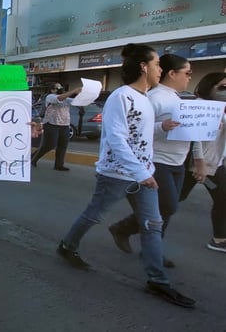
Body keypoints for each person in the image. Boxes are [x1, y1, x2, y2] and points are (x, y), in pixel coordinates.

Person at [56, 43, 195, 308]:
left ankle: (157, 280)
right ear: (144, 67)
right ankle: (67, 245)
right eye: (156, 64)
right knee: (94, 214)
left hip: (143, 173)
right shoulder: (121, 97)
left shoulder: (144, 98)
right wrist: (141, 172)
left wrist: (160, 126)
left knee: (153, 224)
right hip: (117, 173)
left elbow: (138, 133)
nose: (160, 69)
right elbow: (117, 139)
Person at [107, 54, 204, 267]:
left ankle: (153, 250)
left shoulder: (180, 99)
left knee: (166, 209)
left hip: (178, 162)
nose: (189, 78)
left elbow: (194, 133)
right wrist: (163, 127)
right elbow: (135, 132)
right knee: (167, 207)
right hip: (157, 160)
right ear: (172, 73)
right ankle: (123, 228)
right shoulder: (154, 98)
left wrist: (199, 159)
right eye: (187, 73)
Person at [180, 72, 226, 253]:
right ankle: (129, 226)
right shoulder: (200, 107)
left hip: (214, 163)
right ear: (210, 87)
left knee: (222, 197)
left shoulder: (222, 108)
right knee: (172, 200)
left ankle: (219, 239)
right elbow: (195, 139)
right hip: (199, 163)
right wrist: (200, 165)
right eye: (222, 87)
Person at [30, 82, 81, 170]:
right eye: (57, 88)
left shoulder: (67, 99)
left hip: (64, 125)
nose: (59, 89)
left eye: (60, 87)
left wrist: (83, 94)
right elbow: (59, 98)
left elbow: (77, 102)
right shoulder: (50, 97)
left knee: (63, 145)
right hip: (51, 124)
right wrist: (73, 91)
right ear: (52, 90)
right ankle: (33, 158)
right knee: (49, 145)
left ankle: (59, 165)